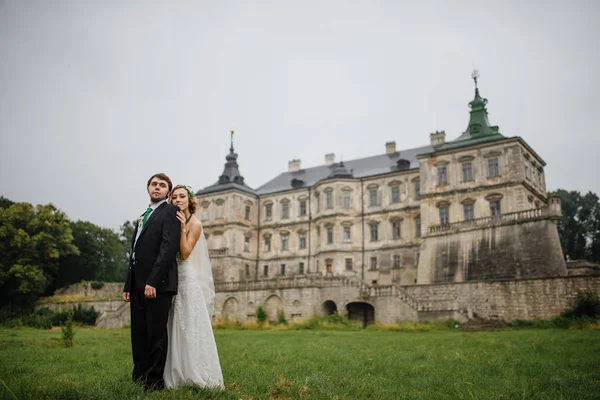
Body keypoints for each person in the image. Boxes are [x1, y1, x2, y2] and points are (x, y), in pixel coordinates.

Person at [123, 173, 181, 391]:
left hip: (158, 284)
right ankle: (139, 375)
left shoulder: (170, 212)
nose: (157, 188)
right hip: (137, 284)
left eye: (162, 185)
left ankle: (154, 382)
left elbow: (167, 250)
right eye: (154, 184)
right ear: (148, 188)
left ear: (168, 192)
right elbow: (134, 253)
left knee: (156, 334)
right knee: (138, 332)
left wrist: (153, 281)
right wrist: (128, 285)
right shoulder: (143, 216)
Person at [163, 184, 224, 389]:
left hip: (186, 277)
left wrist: (181, 230)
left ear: (190, 200)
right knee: (174, 324)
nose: (178, 200)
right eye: (174, 197)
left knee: (189, 323)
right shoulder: (174, 218)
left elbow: (186, 253)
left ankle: (195, 372)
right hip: (173, 276)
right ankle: (176, 370)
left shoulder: (194, 223)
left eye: (182, 196)